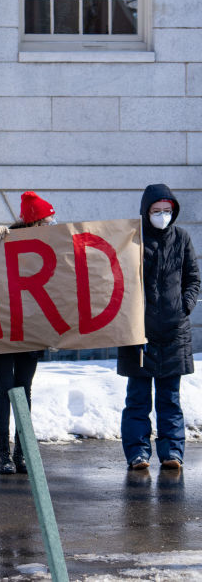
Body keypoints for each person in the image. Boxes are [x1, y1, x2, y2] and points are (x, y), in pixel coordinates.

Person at [118, 184, 199, 471]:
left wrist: (183, 307)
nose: (162, 216)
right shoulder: (132, 239)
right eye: (156, 211)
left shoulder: (182, 238)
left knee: (170, 400)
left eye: (167, 211)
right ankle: (138, 453)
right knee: (137, 399)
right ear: (146, 211)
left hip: (173, 334)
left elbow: (193, 279)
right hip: (138, 334)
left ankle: (172, 452)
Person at [0, 191, 56, 474]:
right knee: (5, 388)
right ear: (33, 223)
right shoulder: (3, 239)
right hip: (3, 327)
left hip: (31, 328)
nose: (50, 227)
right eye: (45, 222)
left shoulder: (51, 244)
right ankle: (3, 454)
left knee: (24, 389)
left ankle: (22, 452)